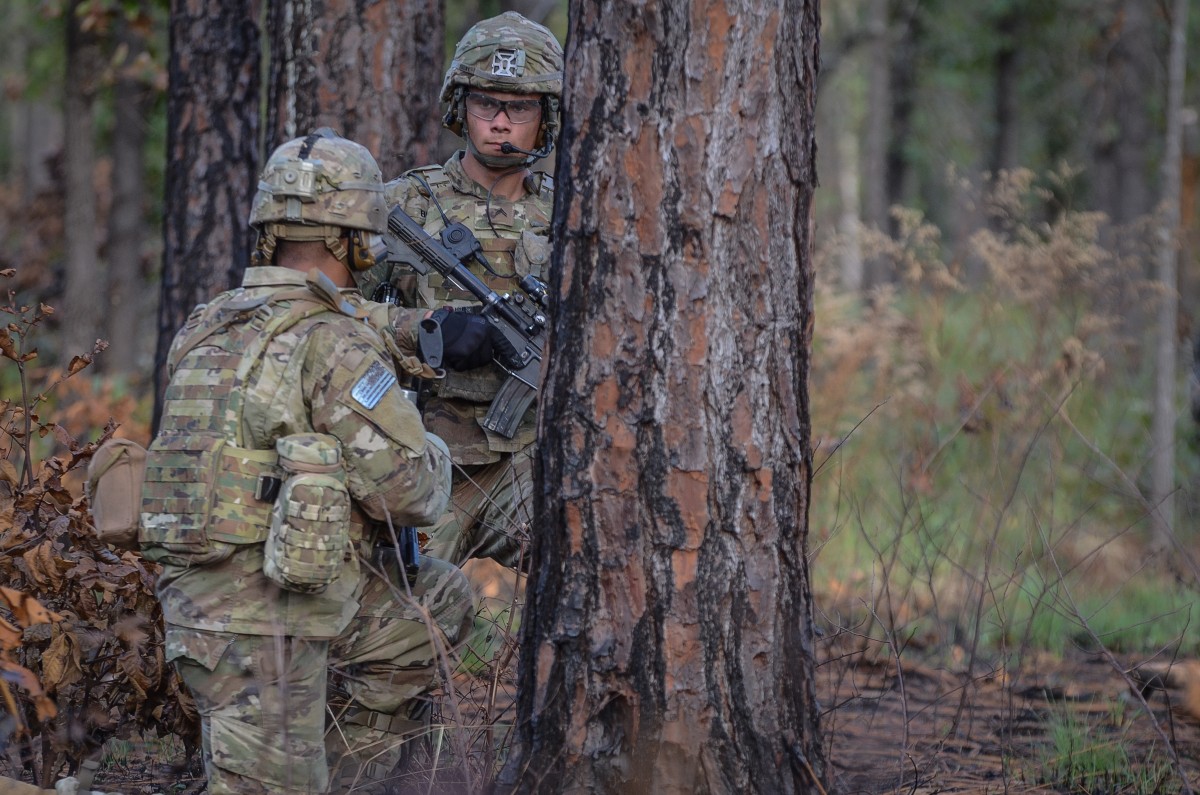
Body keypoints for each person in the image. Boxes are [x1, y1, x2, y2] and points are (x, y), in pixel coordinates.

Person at [141, 131, 491, 794]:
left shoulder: (204, 324)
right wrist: (435, 448)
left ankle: (336, 768)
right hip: (264, 630)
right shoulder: (335, 343)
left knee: (433, 600)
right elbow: (410, 493)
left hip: (197, 607)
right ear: (353, 240)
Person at [357, 11, 564, 570]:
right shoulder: (405, 206)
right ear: (460, 107)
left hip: (530, 462)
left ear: (546, 116)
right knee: (398, 610)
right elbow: (324, 312)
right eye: (486, 104)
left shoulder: (574, 212)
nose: (501, 122)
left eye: (520, 107)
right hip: (424, 456)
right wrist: (419, 333)